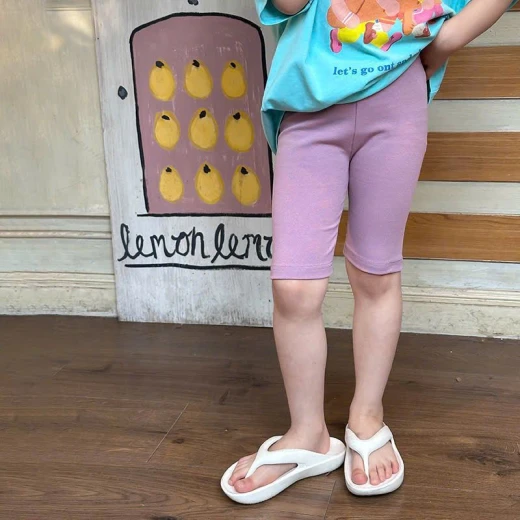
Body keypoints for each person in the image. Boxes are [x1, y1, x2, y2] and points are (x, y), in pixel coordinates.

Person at [221, 0, 516, 504]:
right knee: (293, 287)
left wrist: (445, 41)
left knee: (377, 272)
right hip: (310, 101)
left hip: (397, 97)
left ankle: (367, 415)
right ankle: (307, 433)